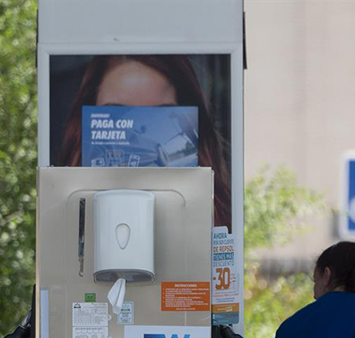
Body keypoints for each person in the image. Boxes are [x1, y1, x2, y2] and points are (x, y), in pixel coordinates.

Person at [56, 54, 232, 230]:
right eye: (116, 117)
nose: (139, 134)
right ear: (83, 129)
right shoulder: (65, 224)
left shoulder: (214, 228)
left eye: (161, 117)